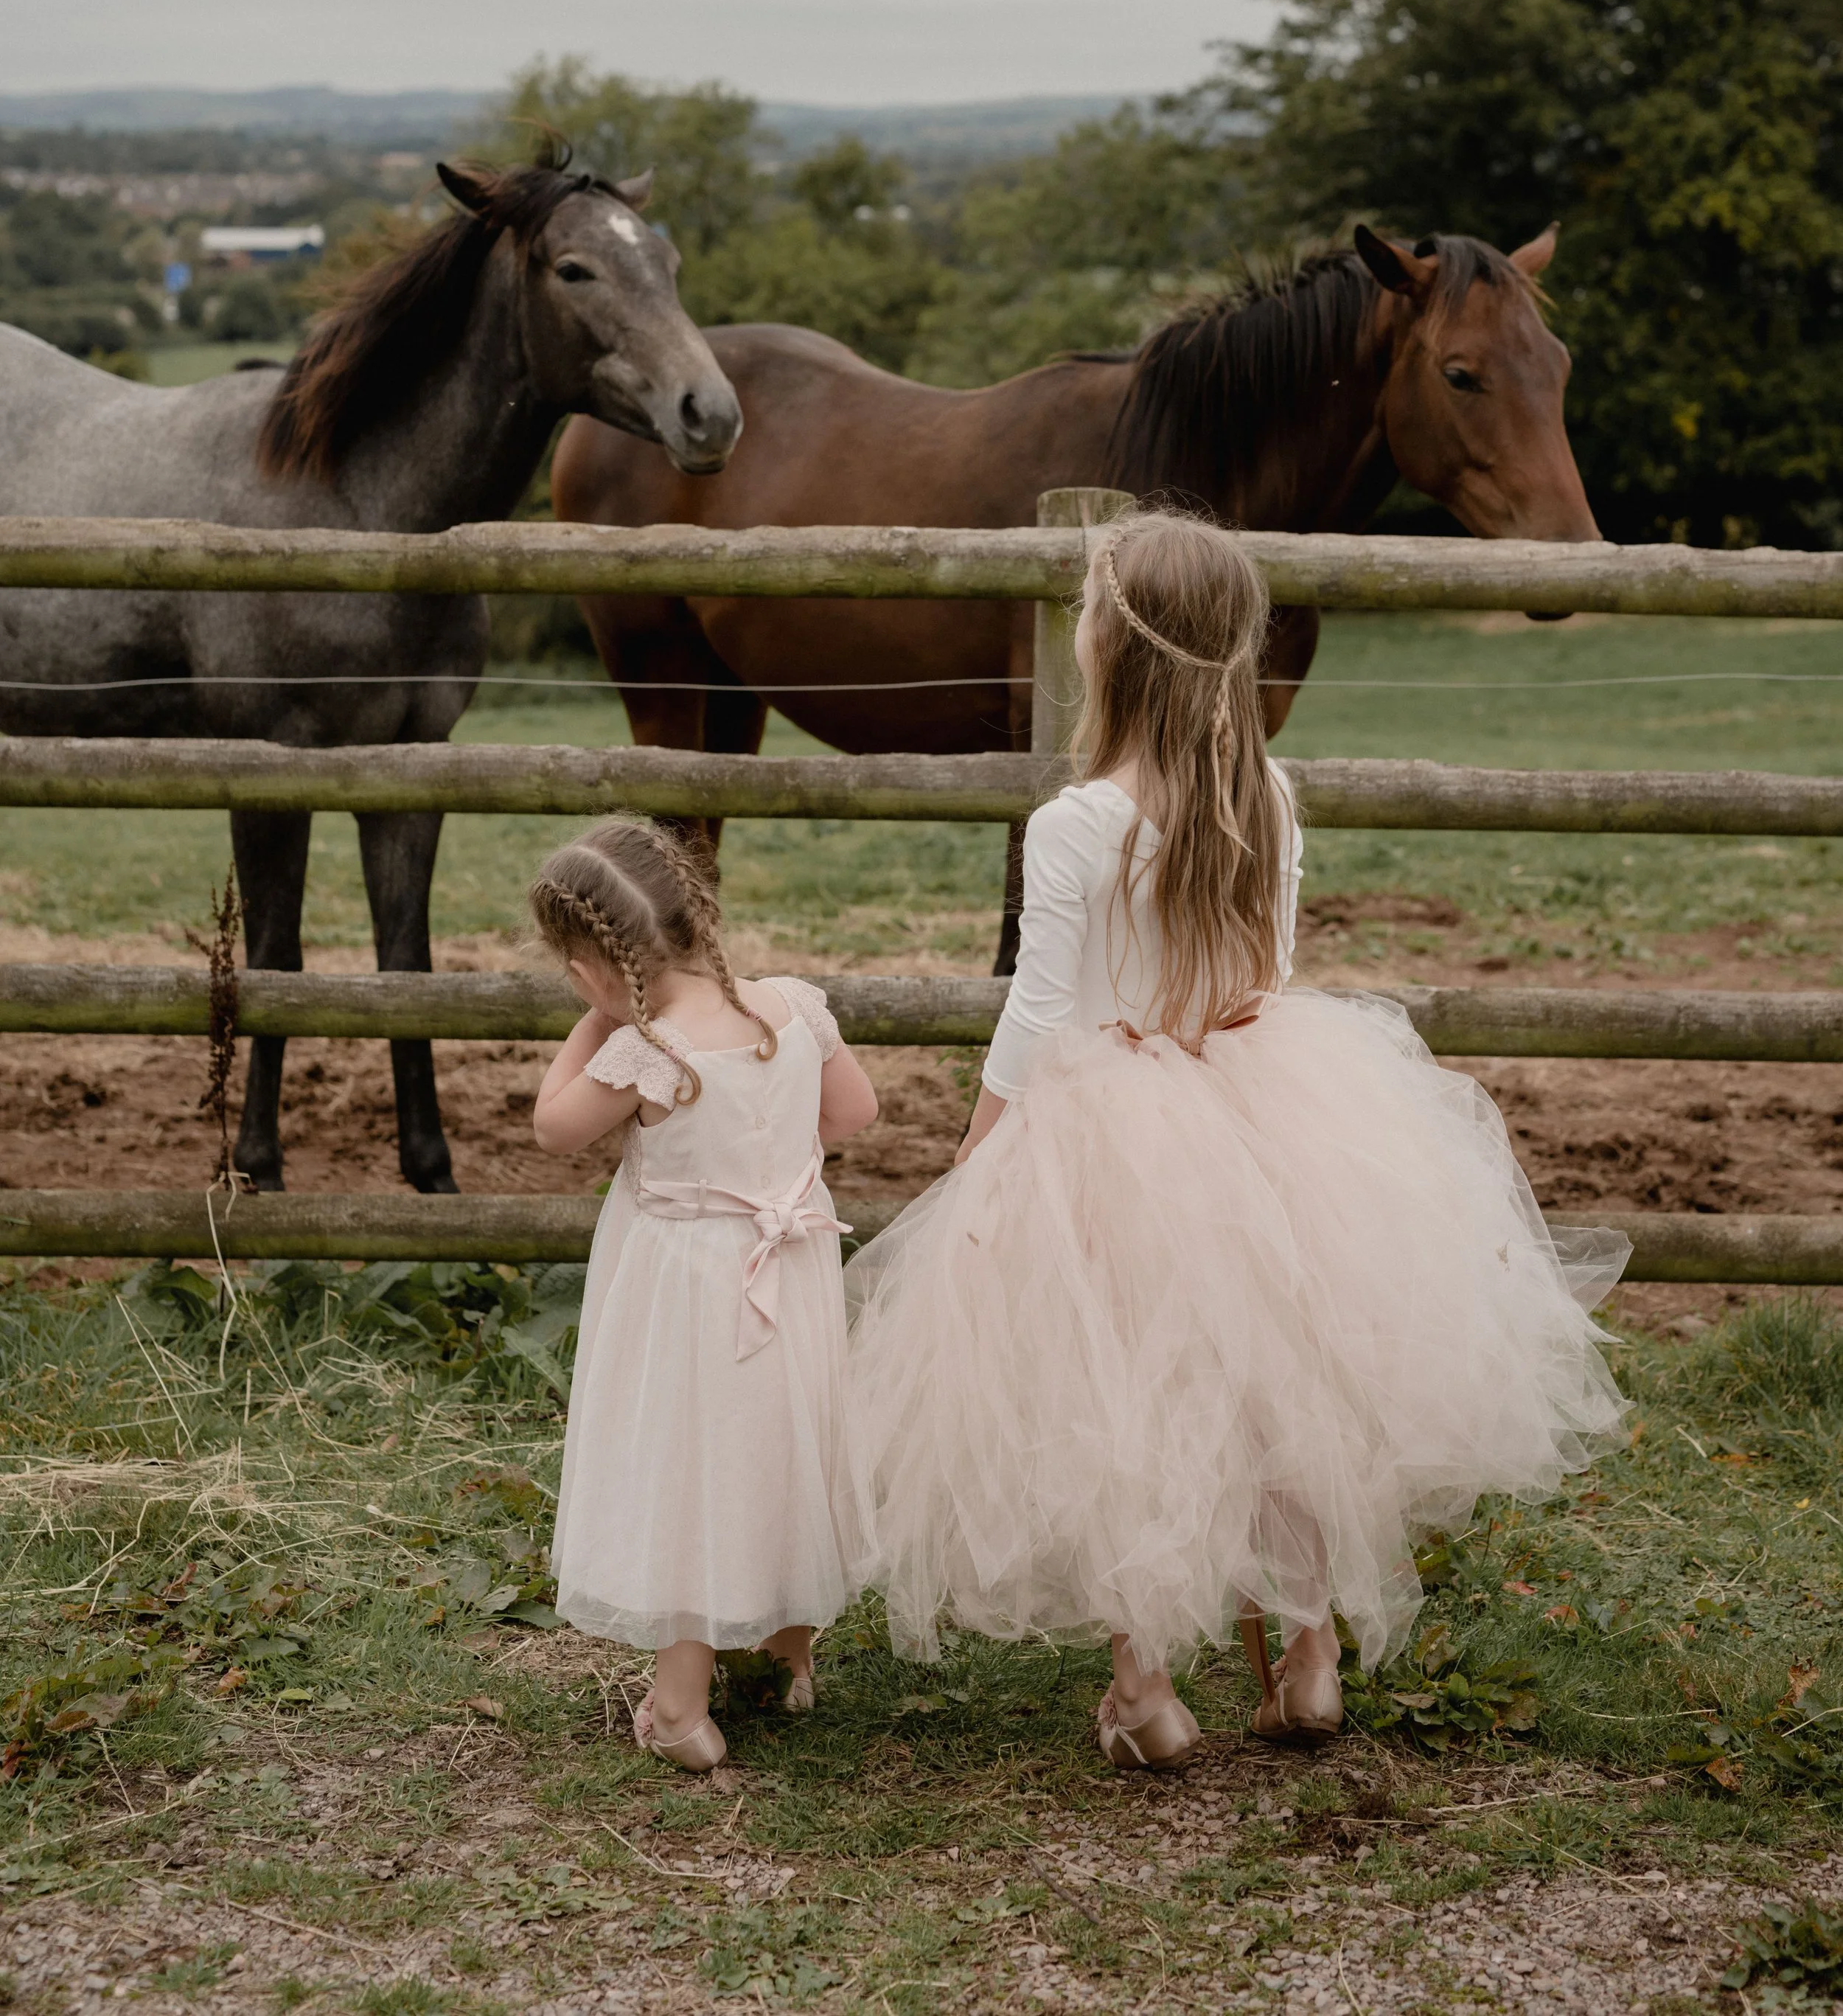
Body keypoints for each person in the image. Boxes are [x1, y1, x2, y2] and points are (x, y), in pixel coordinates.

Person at [847, 510, 1628, 1769]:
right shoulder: (1264, 794)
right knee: (1284, 1391)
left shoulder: (1075, 823)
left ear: (1117, 649)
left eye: (1090, 612)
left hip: (1108, 1130)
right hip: (1266, 1103)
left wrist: (977, 1152)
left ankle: (1148, 1689)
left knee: (1122, 1398)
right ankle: (1311, 1656)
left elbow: (1039, 1013)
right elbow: (1268, 969)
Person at [530, 816, 879, 1773]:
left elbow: (554, 1124)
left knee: (696, 1472)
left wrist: (601, 1015)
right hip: (791, 1273)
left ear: (600, 965)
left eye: (575, 968)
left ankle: (682, 1704)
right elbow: (855, 1112)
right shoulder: (794, 1007)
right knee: (783, 1451)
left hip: (688, 1291)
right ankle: (786, 1655)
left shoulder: (646, 1047)